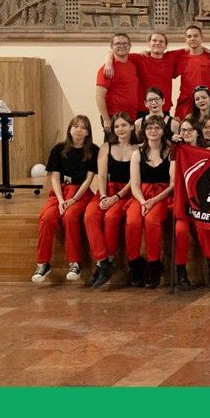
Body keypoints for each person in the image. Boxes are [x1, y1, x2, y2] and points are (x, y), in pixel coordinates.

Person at [31, 115, 98, 283]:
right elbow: (55, 177)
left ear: (88, 132)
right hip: (60, 192)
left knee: (70, 216)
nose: (79, 130)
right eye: (76, 126)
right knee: (47, 217)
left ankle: (74, 262)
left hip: (80, 193)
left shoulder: (93, 150)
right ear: (69, 129)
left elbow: (88, 180)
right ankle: (43, 263)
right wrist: (61, 200)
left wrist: (73, 200)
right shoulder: (58, 149)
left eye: (83, 127)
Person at [83, 113, 138, 288]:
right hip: (106, 190)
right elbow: (101, 174)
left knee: (111, 217)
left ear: (131, 126)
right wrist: (104, 196)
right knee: (90, 215)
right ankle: (102, 262)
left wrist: (117, 197)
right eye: (116, 126)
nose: (120, 129)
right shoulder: (106, 147)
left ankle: (110, 258)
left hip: (125, 193)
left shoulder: (138, 148)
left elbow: (134, 179)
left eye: (124, 125)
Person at [124, 115, 175, 289]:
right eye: (149, 128)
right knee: (132, 221)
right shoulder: (137, 153)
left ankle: (154, 265)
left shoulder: (171, 151)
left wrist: (154, 200)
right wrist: (144, 202)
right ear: (144, 131)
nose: (153, 131)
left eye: (157, 127)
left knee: (151, 220)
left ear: (163, 130)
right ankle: (134, 264)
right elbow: (134, 184)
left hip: (162, 195)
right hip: (141, 195)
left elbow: (173, 184)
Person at [173, 25, 210, 120]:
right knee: (181, 128)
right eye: (189, 36)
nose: (192, 38)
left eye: (196, 36)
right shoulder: (180, 58)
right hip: (184, 103)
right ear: (185, 39)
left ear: (202, 38)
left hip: (204, 103)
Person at [95, 33, 141, 125]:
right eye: (118, 43)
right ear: (112, 47)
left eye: (125, 43)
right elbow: (99, 96)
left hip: (132, 116)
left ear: (130, 46)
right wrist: (106, 119)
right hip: (113, 117)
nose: (122, 46)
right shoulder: (107, 69)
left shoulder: (132, 65)